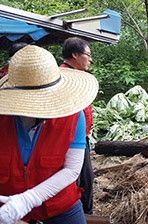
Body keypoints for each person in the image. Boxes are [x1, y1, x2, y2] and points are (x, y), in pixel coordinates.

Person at [0, 45, 98, 224]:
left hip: (59, 203)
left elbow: (72, 169)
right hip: (6, 204)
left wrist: (28, 199)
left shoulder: (73, 115)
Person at [60, 36, 95, 214]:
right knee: (83, 179)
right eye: (87, 55)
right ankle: (83, 214)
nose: (90, 59)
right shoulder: (63, 77)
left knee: (84, 178)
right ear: (74, 55)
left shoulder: (76, 75)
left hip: (81, 136)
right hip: (72, 139)